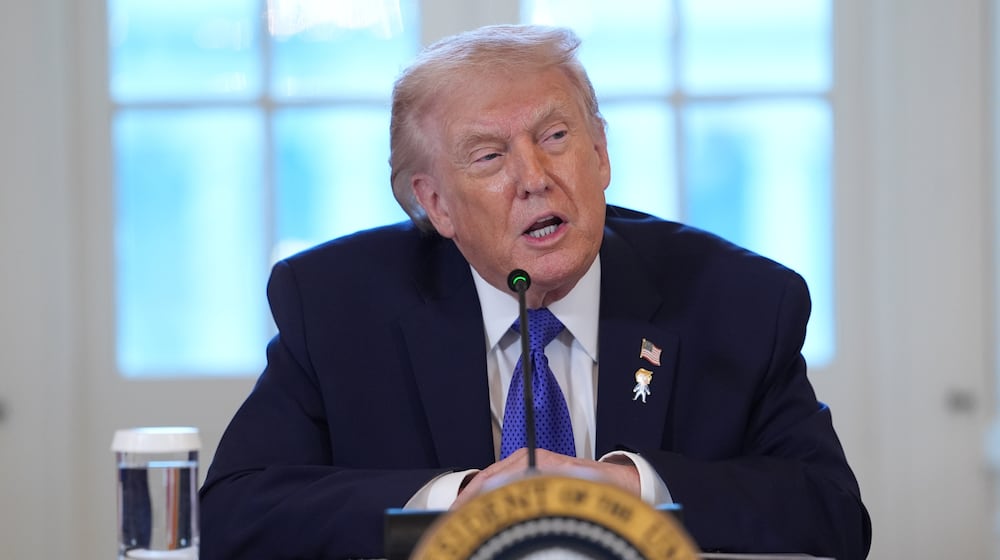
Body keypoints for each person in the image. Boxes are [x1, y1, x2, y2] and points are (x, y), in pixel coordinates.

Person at [200, 24, 872, 559]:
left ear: (601, 154)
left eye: (556, 137)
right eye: (490, 156)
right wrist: (459, 501)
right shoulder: (337, 305)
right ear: (435, 204)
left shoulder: (739, 301)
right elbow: (234, 514)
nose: (536, 176)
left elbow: (831, 513)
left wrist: (622, 490)